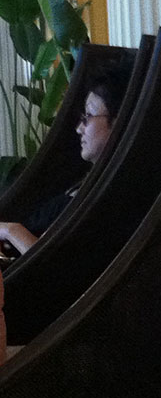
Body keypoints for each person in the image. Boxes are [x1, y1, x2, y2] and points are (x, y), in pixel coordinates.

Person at [0, 61, 132, 256]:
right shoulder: (84, 181)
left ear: (119, 122)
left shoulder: (110, 197)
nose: (79, 128)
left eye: (88, 116)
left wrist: (11, 231)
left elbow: (54, 266)